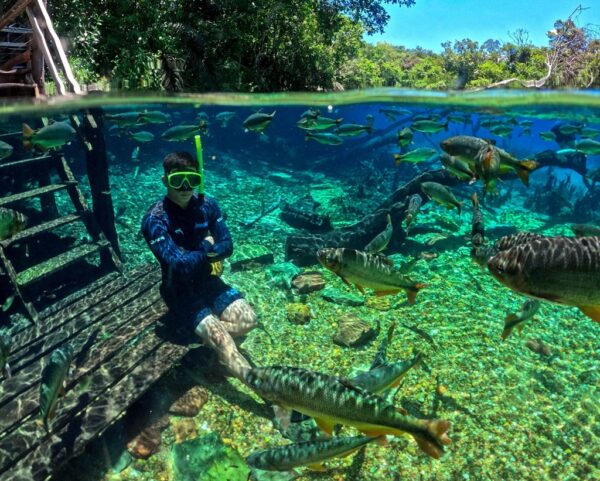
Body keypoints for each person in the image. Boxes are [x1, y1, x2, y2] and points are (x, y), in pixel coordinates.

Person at [141, 151, 256, 382]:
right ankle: (268, 394)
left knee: (249, 321)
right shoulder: (155, 220)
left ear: (199, 179)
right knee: (224, 343)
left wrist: (196, 255)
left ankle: (195, 331)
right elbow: (180, 267)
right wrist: (206, 245)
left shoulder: (208, 205)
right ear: (165, 181)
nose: (185, 187)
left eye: (191, 180)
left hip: (207, 281)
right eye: (177, 180)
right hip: (178, 290)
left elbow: (227, 246)